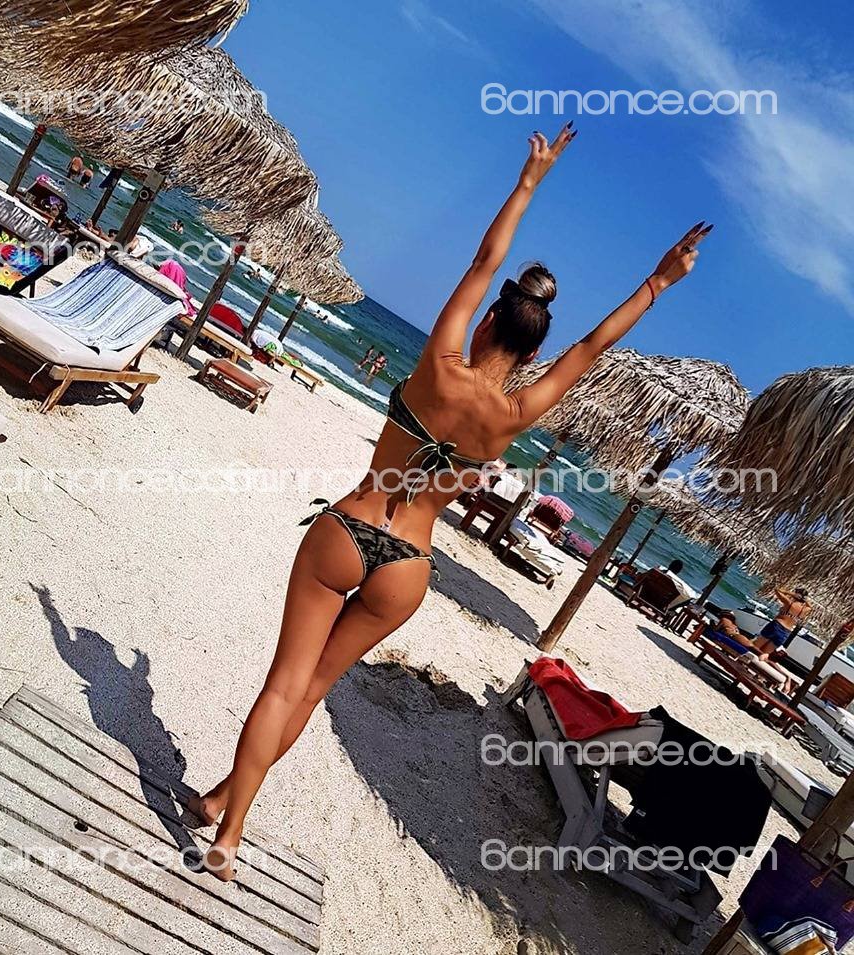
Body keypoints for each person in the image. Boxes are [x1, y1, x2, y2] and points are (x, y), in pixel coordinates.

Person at [188, 124, 713, 880]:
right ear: (533, 353)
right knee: (312, 689)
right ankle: (221, 804)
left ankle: (231, 835)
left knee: (284, 682)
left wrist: (529, 182)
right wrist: (658, 282)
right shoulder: (516, 413)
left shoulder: (437, 361)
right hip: (407, 566)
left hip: (352, 527)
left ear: (490, 320)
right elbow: (592, 347)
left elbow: (483, 262)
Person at [755, 586, 812, 655]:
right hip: (786, 632)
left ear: (796, 594)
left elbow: (777, 590)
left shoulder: (789, 603)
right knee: (765, 653)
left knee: (755, 647)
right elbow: (810, 607)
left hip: (776, 626)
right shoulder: (804, 609)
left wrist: (791, 593)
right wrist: (804, 599)